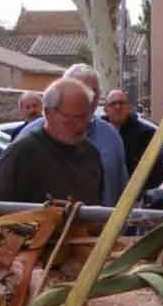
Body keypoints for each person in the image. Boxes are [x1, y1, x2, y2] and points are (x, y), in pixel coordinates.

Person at [17, 64, 128, 206]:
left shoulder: (110, 138)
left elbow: (121, 188)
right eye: (80, 90)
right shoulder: (26, 140)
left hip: (102, 226)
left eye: (93, 92)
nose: (88, 97)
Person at [0, 77, 103, 204]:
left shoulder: (91, 154)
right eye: (73, 119)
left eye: (85, 117)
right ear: (48, 113)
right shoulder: (21, 155)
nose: (80, 126)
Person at [102, 88, 163, 191]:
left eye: (122, 103)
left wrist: (139, 196)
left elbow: (158, 173)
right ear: (105, 109)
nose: (118, 107)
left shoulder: (146, 134)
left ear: (129, 107)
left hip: (134, 200)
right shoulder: (96, 132)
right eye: (113, 103)